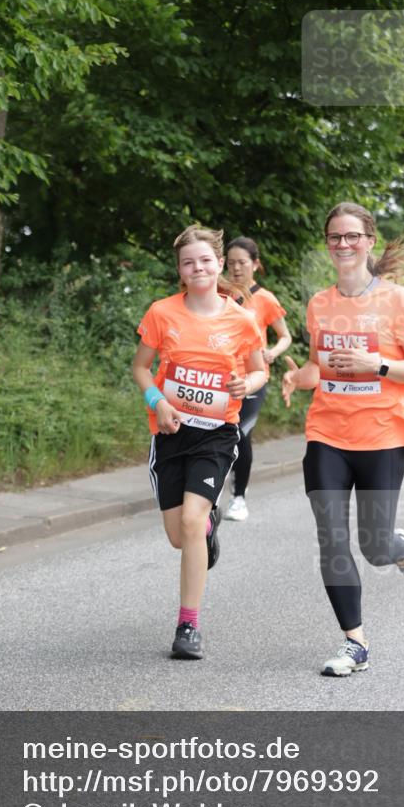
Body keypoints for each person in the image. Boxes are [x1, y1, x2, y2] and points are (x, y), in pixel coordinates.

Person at [282, 201, 404, 677]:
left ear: (369, 240)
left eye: (352, 236)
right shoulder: (320, 304)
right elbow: (318, 366)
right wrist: (298, 378)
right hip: (327, 431)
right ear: (328, 245)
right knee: (331, 537)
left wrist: (379, 366)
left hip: (383, 433)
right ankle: (355, 643)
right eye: (335, 237)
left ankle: (399, 548)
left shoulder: (396, 300)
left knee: (373, 546)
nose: (343, 245)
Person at [132, 225, 267, 659]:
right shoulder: (161, 312)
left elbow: (260, 370)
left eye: (206, 260)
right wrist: (158, 401)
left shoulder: (241, 318)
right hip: (171, 433)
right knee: (180, 535)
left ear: (220, 264)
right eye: (189, 262)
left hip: (216, 435)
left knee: (189, 522)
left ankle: (187, 626)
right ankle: (209, 525)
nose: (198, 268)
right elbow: (140, 368)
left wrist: (245, 384)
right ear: (180, 270)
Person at [224, 236, 292, 520]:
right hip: (223, 379)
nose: (237, 268)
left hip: (254, 377)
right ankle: (217, 486)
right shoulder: (219, 293)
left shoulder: (265, 299)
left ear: (255, 264)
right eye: (231, 263)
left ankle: (239, 498)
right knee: (220, 435)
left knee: (241, 434)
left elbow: (285, 336)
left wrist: (273, 352)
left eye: (242, 262)